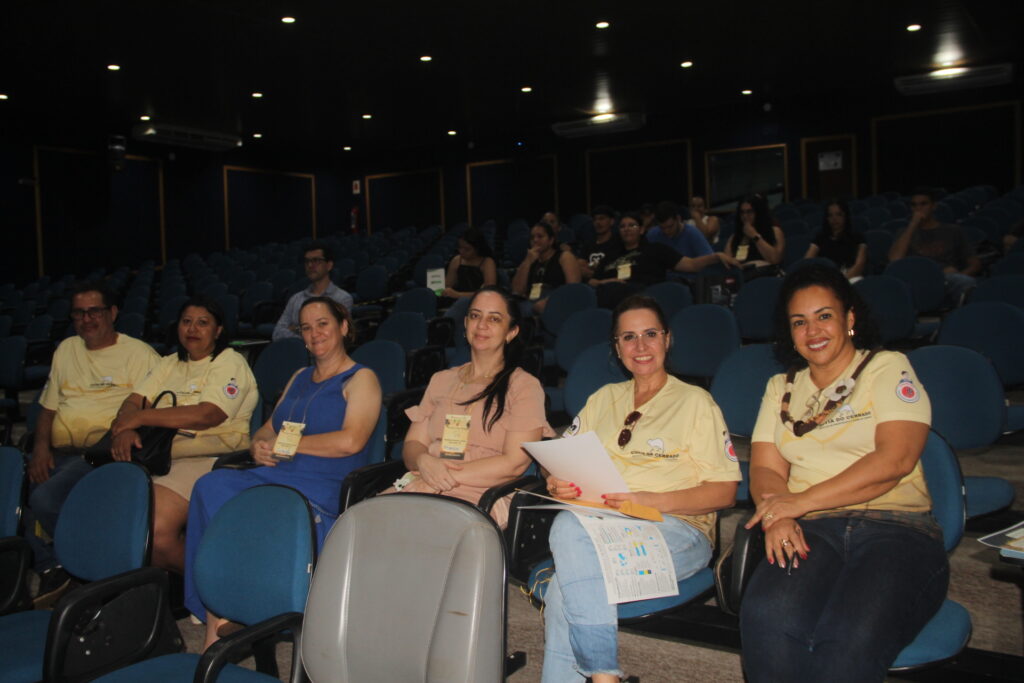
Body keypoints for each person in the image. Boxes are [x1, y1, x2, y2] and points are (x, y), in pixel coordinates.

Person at [739, 264, 948, 682]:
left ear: (849, 318)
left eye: (824, 316)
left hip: (897, 527)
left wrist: (796, 503)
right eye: (799, 321)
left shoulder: (886, 367)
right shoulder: (780, 387)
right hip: (812, 528)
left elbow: (895, 460)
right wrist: (777, 515)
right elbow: (764, 467)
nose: (812, 330)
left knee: (846, 638)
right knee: (765, 617)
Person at [541, 296, 740, 683]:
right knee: (564, 588)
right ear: (617, 348)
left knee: (567, 543)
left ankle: (603, 676)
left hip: (677, 529)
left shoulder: (695, 403)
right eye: (628, 337)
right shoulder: (604, 398)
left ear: (667, 339)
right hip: (605, 525)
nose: (641, 346)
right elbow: (562, 457)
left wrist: (649, 501)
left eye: (650, 334)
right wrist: (557, 479)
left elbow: (725, 493)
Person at [185, 296, 381, 649]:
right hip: (277, 472)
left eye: (323, 324)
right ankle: (220, 607)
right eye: (306, 327)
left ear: (343, 327)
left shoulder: (361, 377)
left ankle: (235, 615)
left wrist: (291, 445)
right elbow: (267, 429)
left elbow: (352, 441)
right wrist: (258, 446)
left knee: (267, 505)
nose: (314, 333)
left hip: (323, 482)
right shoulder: (299, 376)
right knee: (211, 486)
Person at [23, 282, 159, 605]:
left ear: (112, 313)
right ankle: (54, 567)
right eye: (79, 313)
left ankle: (83, 566)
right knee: (14, 493)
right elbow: (47, 409)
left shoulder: (138, 354)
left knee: (44, 499)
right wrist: (41, 448)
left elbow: (153, 409)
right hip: (58, 453)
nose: (86, 320)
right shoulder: (66, 349)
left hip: (100, 454)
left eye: (94, 311)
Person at [110, 295, 257, 573]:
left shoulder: (229, 362)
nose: (192, 329)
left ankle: (215, 584)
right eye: (186, 321)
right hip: (157, 457)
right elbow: (133, 402)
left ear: (218, 330)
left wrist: (140, 418)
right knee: (115, 515)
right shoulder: (169, 363)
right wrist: (124, 430)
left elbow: (207, 415)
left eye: (203, 323)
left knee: (153, 530)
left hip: (209, 458)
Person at [388, 286, 553, 527]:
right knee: (366, 522)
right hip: (424, 481)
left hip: (484, 492)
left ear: (511, 331)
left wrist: (440, 478)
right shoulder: (441, 380)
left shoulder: (524, 386)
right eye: (475, 316)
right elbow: (413, 444)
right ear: (465, 324)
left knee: (422, 529)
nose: (482, 325)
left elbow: (514, 463)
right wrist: (423, 460)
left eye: (494, 319)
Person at [589, 211, 738, 308]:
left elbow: (691, 264)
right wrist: (607, 282)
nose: (626, 229)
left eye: (632, 225)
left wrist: (716, 256)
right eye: (622, 226)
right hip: (611, 297)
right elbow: (591, 282)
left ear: (642, 230)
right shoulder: (611, 255)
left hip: (643, 298)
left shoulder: (655, 250)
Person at [888, 188, 980, 305]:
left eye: (923, 204)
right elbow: (894, 260)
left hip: (945, 278)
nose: (918, 208)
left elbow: (975, 263)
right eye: (914, 205)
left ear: (934, 206)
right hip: (915, 280)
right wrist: (912, 225)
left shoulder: (953, 231)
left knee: (965, 282)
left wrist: (960, 275)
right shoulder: (904, 233)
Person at [273, 240, 354, 340]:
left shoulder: (342, 298)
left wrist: (296, 329)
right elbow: (277, 333)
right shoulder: (296, 298)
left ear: (329, 265)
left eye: (316, 260)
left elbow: (334, 336)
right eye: (307, 261)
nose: (310, 265)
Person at [511, 221, 581, 314]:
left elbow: (573, 289)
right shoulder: (530, 260)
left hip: (558, 301)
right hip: (532, 302)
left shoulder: (564, 257)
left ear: (551, 240)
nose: (535, 240)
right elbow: (517, 291)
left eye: (540, 236)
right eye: (532, 237)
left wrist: (549, 301)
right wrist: (527, 262)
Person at [803, 200, 867, 280]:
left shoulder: (857, 237)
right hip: (826, 277)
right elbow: (807, 260)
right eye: (830, 215)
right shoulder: (820, 238)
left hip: (850, 276)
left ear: (846, 216)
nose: (834, 219)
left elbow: (860, 264)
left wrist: (841, 281)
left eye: (839, 214)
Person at [724, 195, 785, 275]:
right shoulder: (734, 237)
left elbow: (775, 259)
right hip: (744, 275)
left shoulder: (775, 231)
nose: (745, 216)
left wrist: (754, 236)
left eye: (749, 212)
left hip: (767, 274)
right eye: (742, 212)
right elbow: (727, 264)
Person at [647, 200, 714, 259]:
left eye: (670, 226)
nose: (666, 231)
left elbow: (710, 259)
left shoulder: (692, 233)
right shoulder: (653, 234)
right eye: (662, 228)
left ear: (678, 219)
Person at [442, 228, 497, 298]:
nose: (461, 251)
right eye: (460, 247)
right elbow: (448, 285)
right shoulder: (457, 260)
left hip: (479, 299)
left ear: (477, 248)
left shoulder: (487, 262)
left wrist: (458, 295)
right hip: (456, 299)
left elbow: (489, 292)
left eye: (467, 249)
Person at [575, 205, 623, 280]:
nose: (597, 222)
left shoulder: (619, 243)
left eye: (602, 218)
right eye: (595, 219)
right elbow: (580, 266)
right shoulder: (588, 244)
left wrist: (593, 271)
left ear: (612, 221)